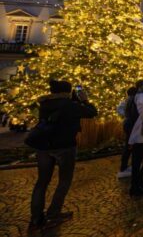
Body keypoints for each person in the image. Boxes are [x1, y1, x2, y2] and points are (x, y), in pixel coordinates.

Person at [29, 80, 97, 231]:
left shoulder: (44, 104)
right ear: (67, 91)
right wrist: (84, 100)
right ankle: (53, 213)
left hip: (43, 146)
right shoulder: (70, 105)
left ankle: (35, 219)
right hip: (64, 146)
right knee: (64, 180)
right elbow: (92, 112)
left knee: (42, 182)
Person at [116, 86, 138, 179]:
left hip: (127, 124)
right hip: (132, 125)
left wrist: (125, 115)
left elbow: (119, 110)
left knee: (128, 146)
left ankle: (124, 166)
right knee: (131, 146)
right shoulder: (133, 101)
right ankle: (125, 167)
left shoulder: (126, 101)